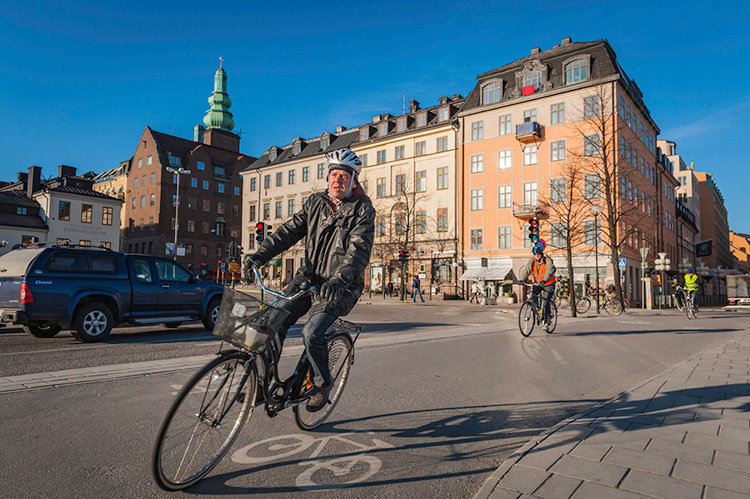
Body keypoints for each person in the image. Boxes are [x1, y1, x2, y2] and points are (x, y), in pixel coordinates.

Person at [244, 148, 375, 412]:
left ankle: (321, 383)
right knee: (271, 322)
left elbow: (357, 252)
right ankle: (261, 384)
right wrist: (259, 255)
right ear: (327, 178)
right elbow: (288, 232)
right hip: (309, 278)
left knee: (312, 332)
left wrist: (338, 280)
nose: (338, 180)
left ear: (353, 181)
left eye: (344, 176)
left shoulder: (363, 209)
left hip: (341, 286)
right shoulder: (315, 203)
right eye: (334, 175)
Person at [518, 239, 557, 332]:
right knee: (532, 294)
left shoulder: (547, 260)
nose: (536, 255)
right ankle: (538, 310)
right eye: (535, 254)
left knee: (545, 300)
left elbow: (550, 271)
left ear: (541, 253)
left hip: (549, 283)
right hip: (538, 283)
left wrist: (545, 280)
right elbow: (527, 270)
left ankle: (547, 322)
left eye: (538, 254)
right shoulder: (532, 261)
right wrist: (521, 279)